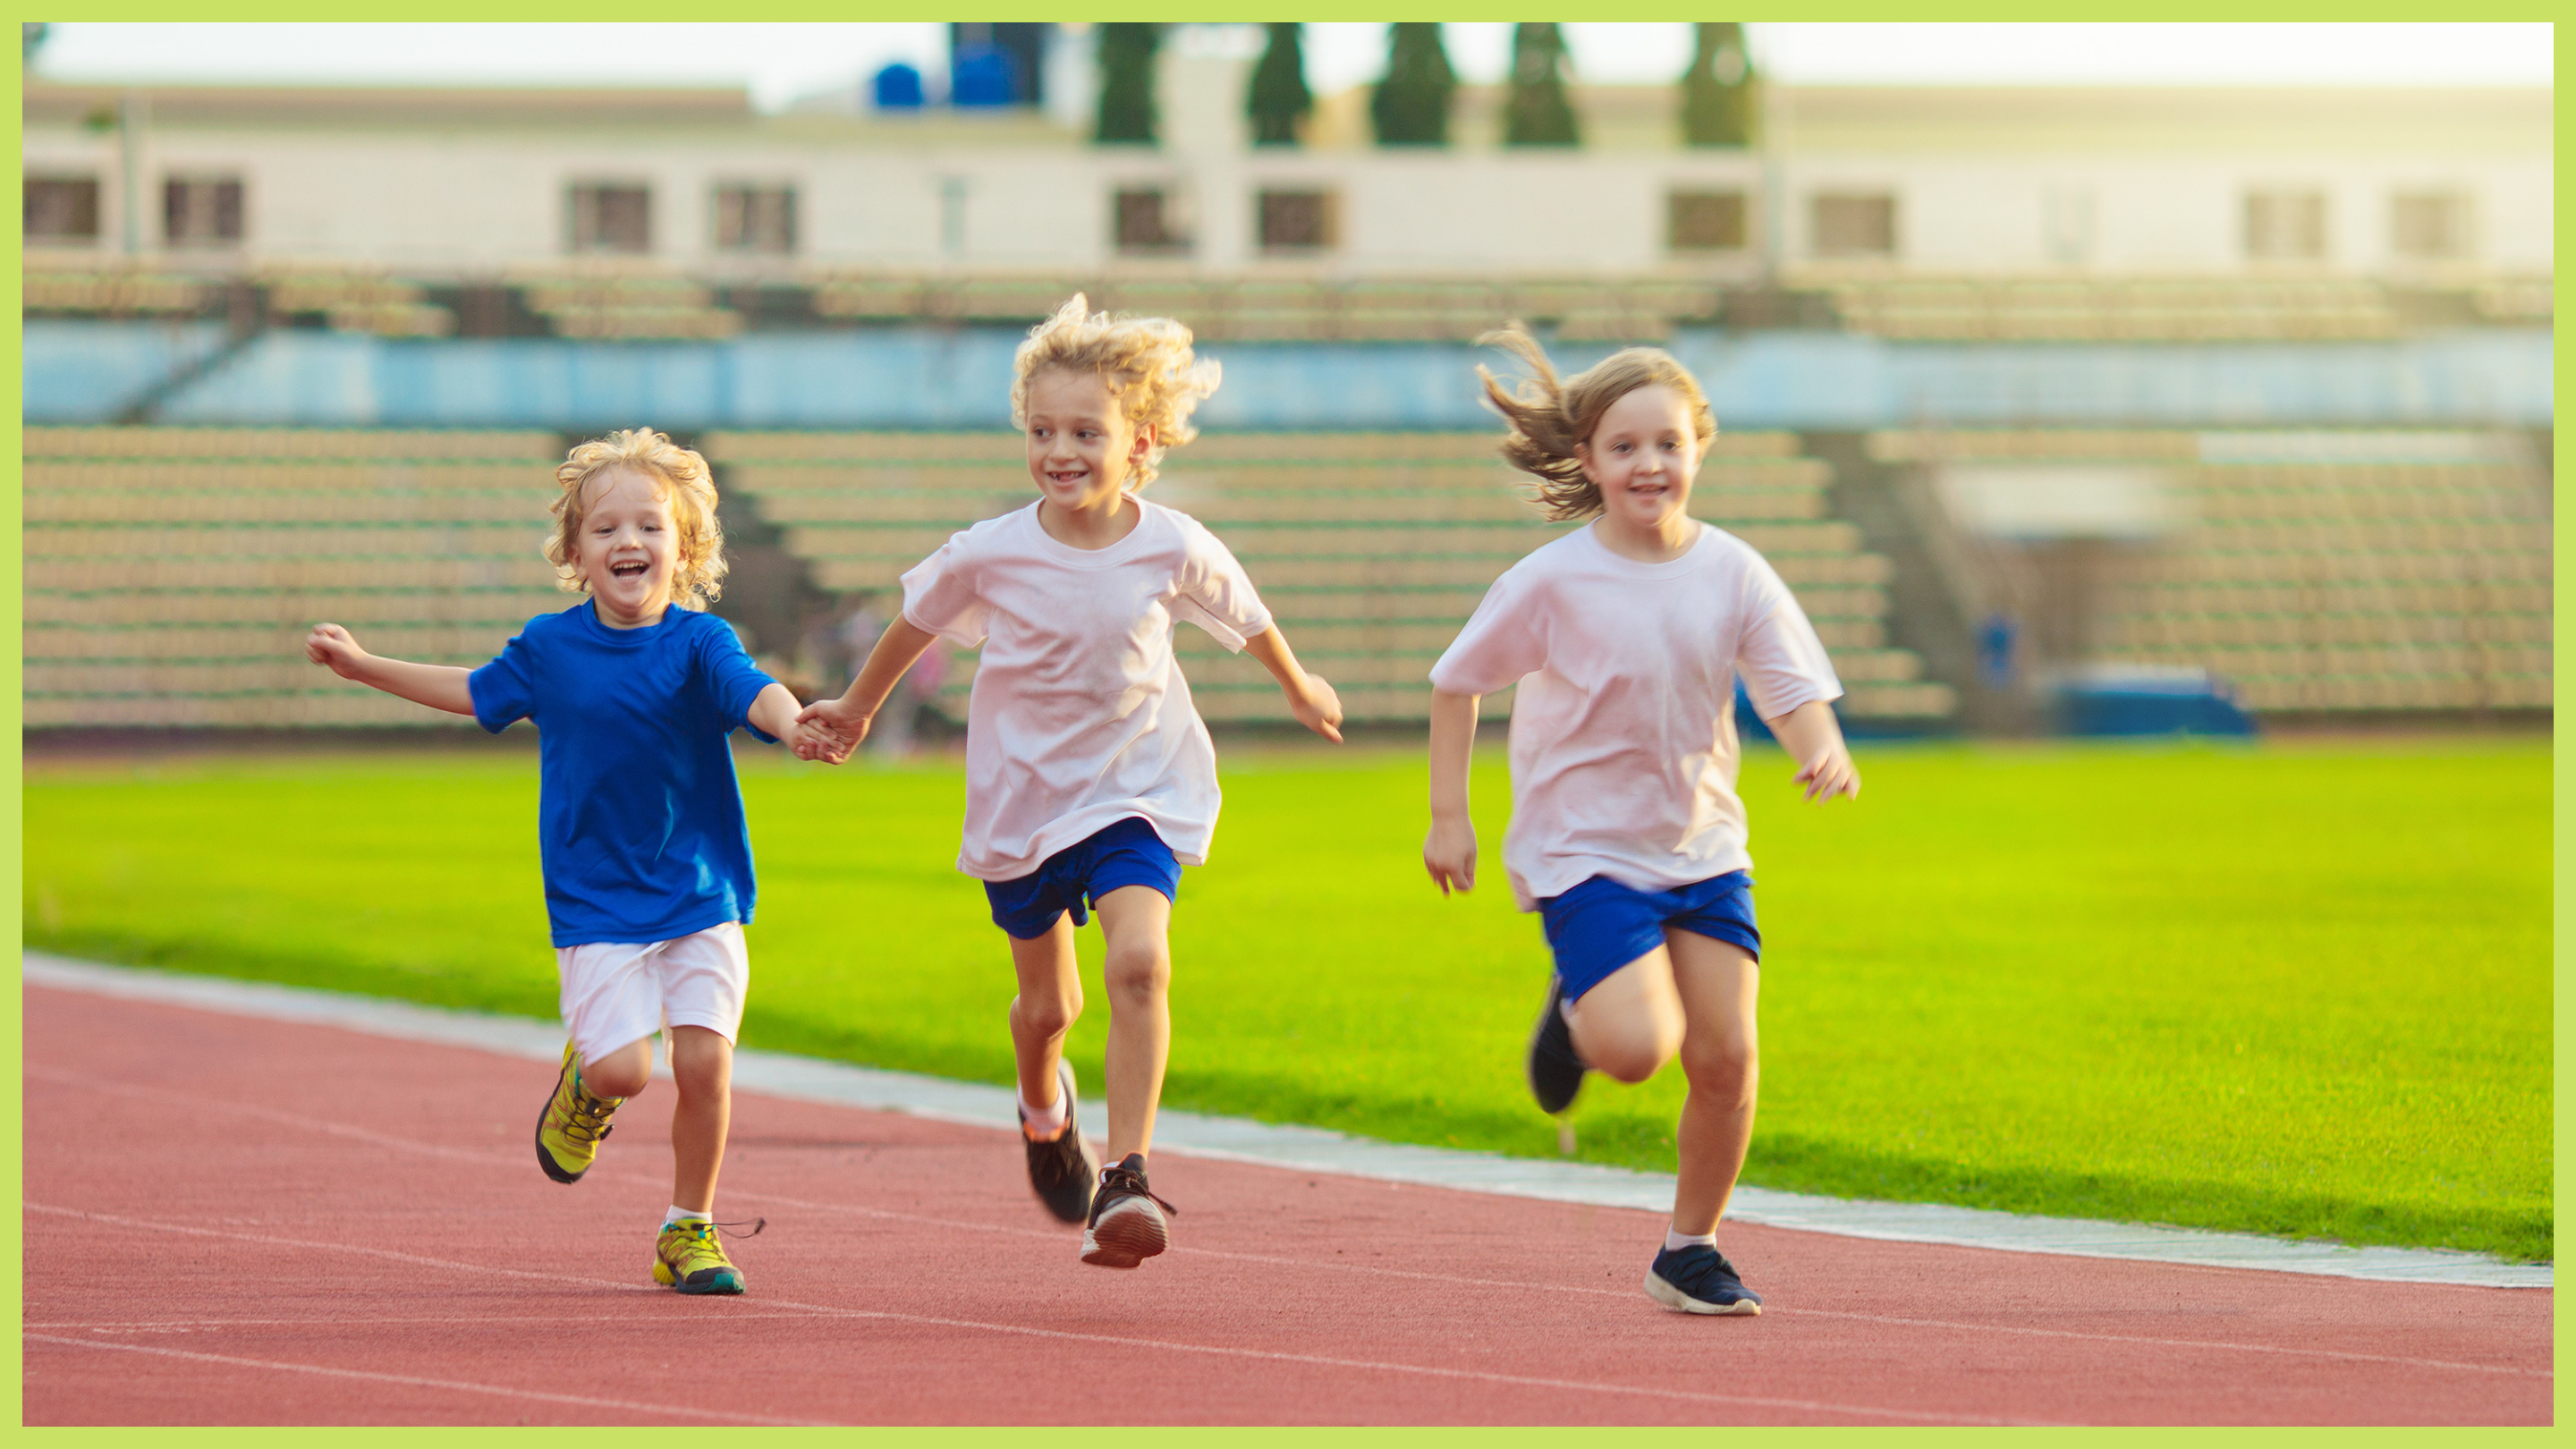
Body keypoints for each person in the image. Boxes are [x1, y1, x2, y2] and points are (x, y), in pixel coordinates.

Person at [795, 295, 1343, 1268]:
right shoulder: (991, 551)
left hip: (1136, 788)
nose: (1062, 449)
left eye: (1087, 431)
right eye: (1043, 430)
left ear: (1143, 440)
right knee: (1049, 1011)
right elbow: (914, 622)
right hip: (1024, 799)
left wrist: (1300, 689)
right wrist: (858, 707)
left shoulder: (1171, 542)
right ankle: (1044, 1110)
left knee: (1141, 964)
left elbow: (1245, 614)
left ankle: (1127, 1178)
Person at [305, 428, 841, 1296]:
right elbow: (474, 690)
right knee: (626, 1069)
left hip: (700, 890)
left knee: (705, 1064)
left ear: (685, 545)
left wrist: (795, 723)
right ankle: (584, 1089)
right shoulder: (549, 651)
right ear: (576, 552)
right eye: (606, 530)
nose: (629, 542)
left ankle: (688, 1229)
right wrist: (364, 667)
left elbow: (756, 691)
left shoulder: (701, 642)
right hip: (597, 902)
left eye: (650, 527)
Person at [1422, 326, 1860, 1317]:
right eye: (1624, 448)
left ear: (1700, 446)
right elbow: (1456, 686)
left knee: (1728, 1057)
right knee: (1636, 1050)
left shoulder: (1736, 571)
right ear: (1588, 460)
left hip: (1702, 845)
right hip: (1584, 850)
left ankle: (1690, 1248)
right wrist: (1451, 817)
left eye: (1667, 443)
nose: (1648, 464)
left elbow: (1789, 686)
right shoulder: (1551, 580)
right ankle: (1577, 1015)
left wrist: (1818, 748)